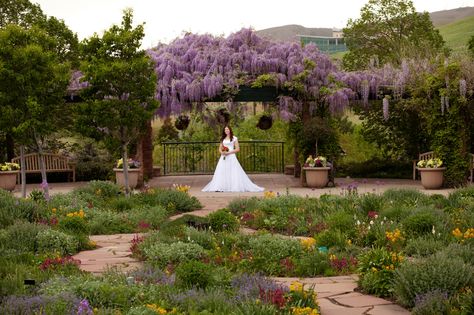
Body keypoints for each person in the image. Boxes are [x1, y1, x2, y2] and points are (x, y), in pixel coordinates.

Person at [202, 125, 264, 192]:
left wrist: (229, 152)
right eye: (225, 129)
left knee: (233, 170)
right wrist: (222, 152)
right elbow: (220, 148)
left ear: (230, 130)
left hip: (231, 156)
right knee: (222, 171)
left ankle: (233, 186)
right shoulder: (222, 138)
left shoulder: (234, 138)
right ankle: (222, 186)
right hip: (224, 157)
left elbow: (237, 149)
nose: (226, 131)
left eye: (227, 129)